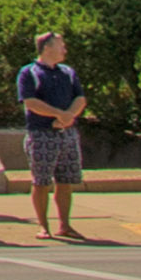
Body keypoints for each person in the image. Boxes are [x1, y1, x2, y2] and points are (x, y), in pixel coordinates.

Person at [15, 23, 90, 241]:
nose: (65, 49)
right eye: (61, 45)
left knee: (66, 181)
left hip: (67, 134)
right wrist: (57, 115)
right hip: (41, 134)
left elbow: (80, 98)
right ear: (47, 47)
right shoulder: (29, 72)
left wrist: (68, 117)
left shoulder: (68, 72)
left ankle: (64, 224)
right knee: (41, 181)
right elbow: (30, 102)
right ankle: (43, 225)